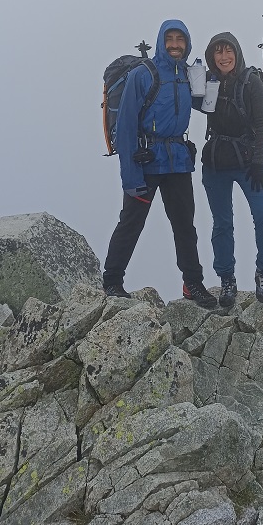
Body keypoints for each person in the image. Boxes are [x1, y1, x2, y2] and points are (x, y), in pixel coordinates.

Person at [102, 19, 217, 308]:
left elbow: (208, 104)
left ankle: (193, 283)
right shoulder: (143, 74)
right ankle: (112, 281)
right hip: (146, 161)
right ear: (161, 42)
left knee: (184, 226)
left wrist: (248, 87)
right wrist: (130, 177)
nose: (175, 45)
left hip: (177, 161)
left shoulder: (188, 75)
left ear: (187, 43)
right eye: (170, 39)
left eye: (180, 39)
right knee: (131, 222)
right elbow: (126, 126)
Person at [196, 31, 263, 307]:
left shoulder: (251, 82)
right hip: (216, 162)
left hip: (248, 163)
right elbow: (191, 102)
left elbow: (262, 123)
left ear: (237, 53)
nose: (224, 57)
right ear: (212, 56)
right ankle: (226, 279)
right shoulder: (207, 81)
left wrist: (258, 164)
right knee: (222, 223)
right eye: (218, 51)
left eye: (228, 50)